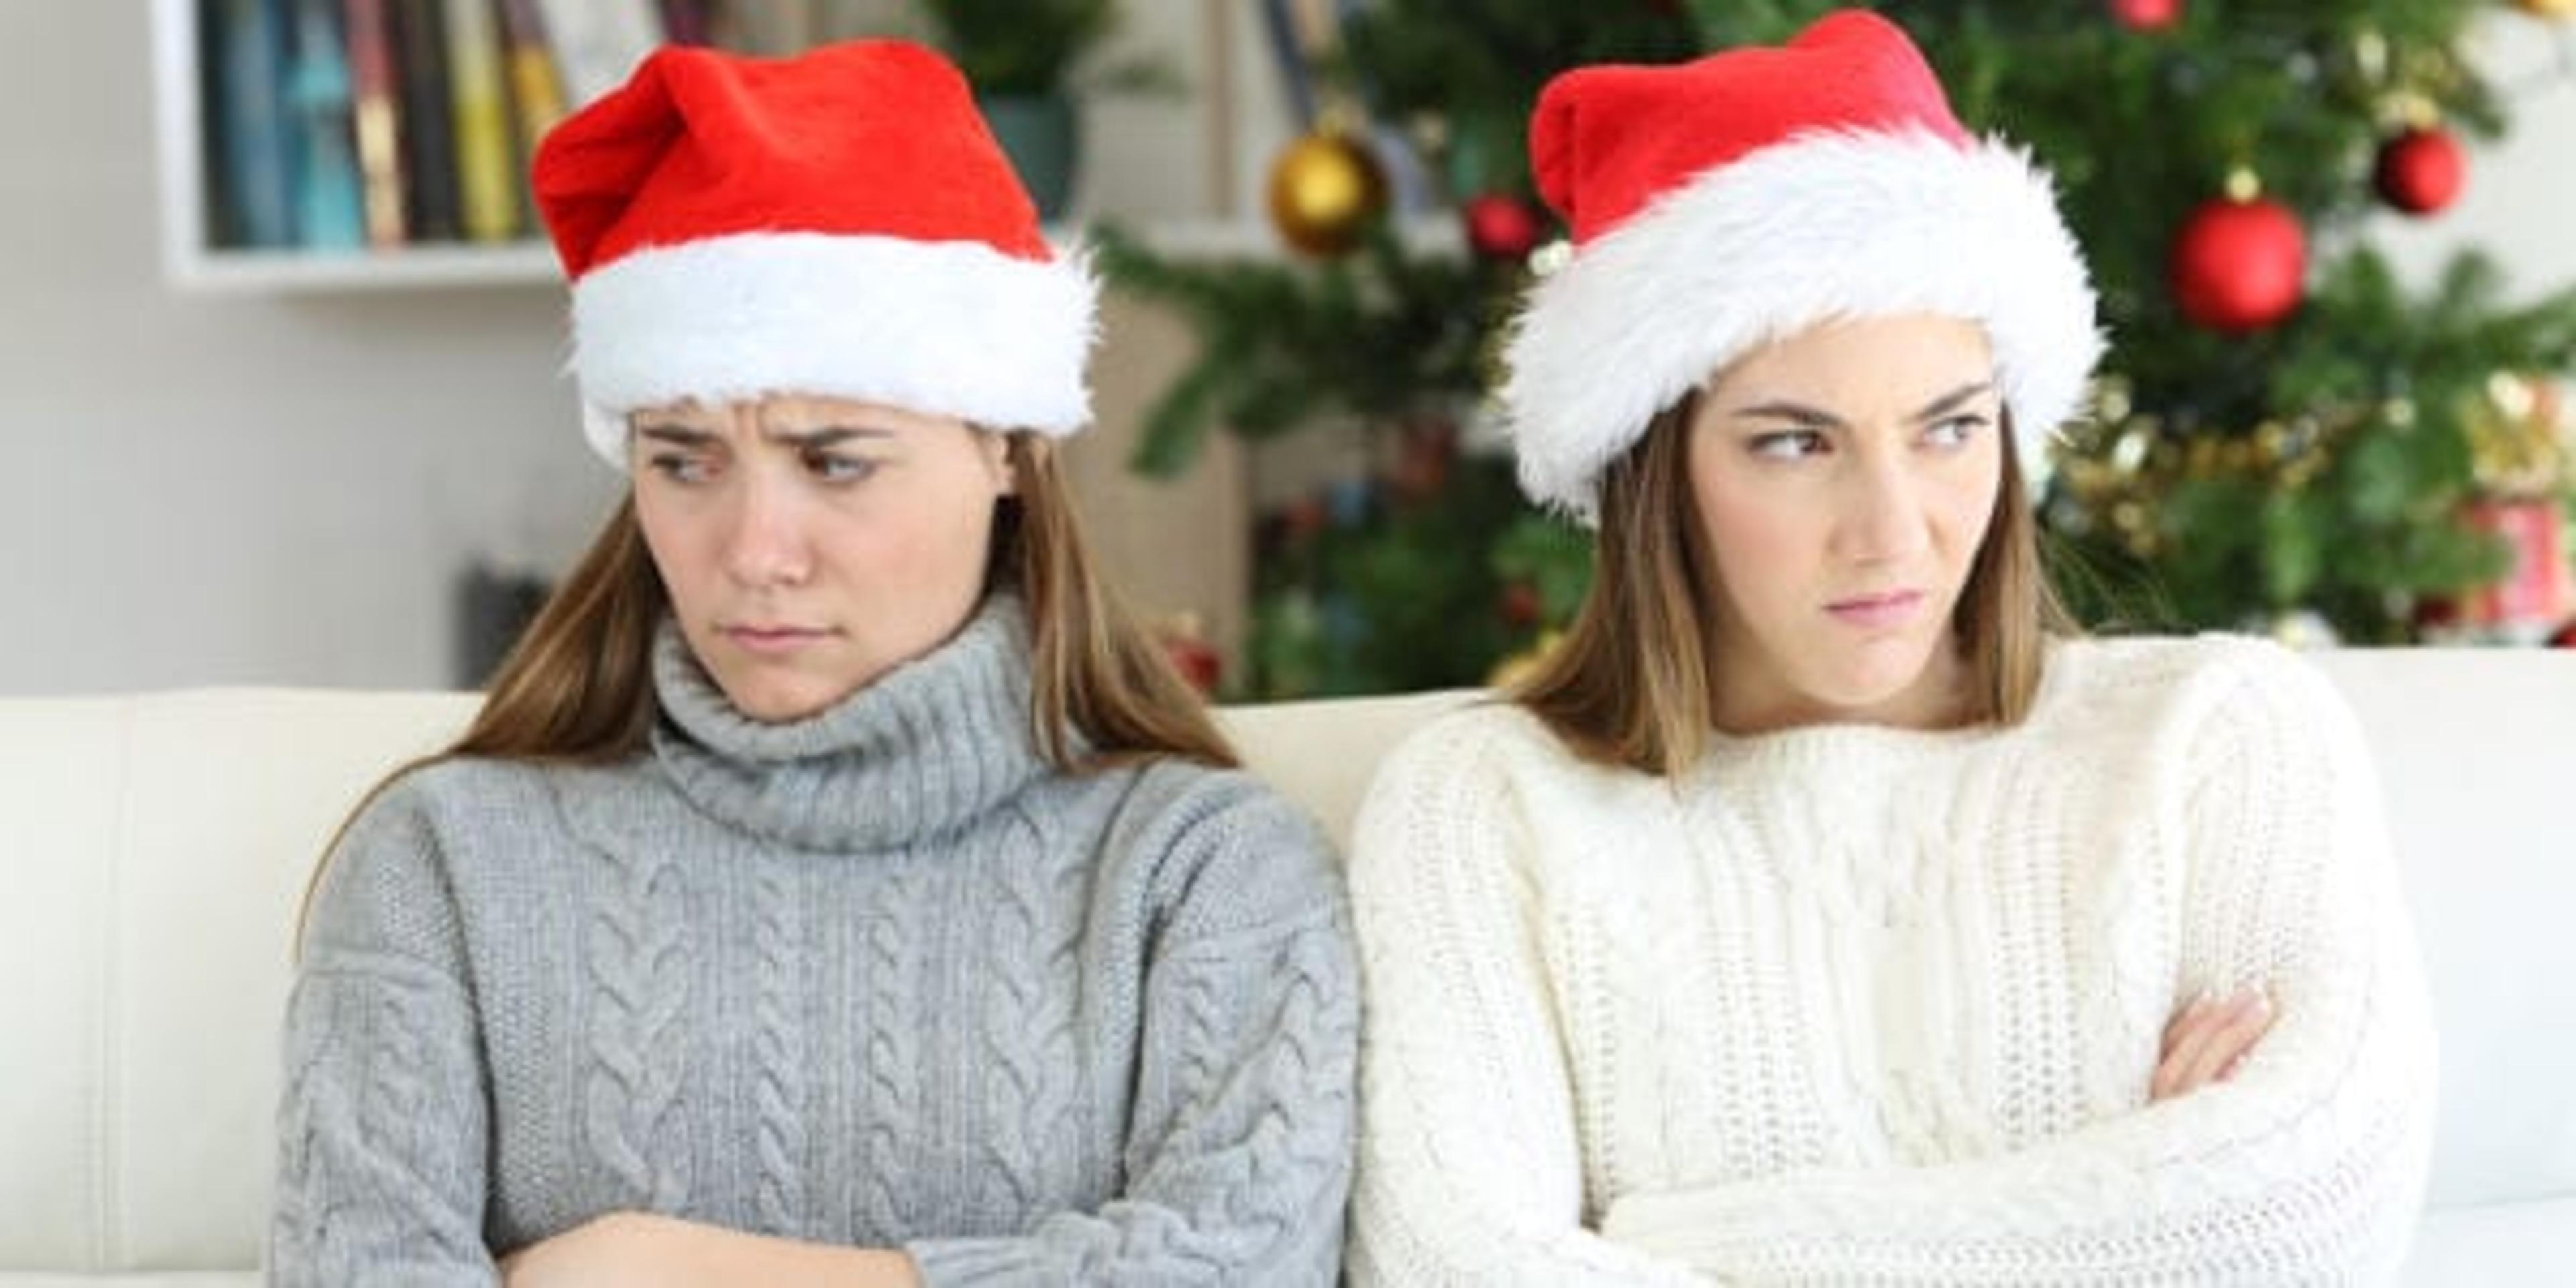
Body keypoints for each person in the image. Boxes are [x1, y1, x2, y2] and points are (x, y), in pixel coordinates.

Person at [1344, 11, 2436, 1284]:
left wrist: (1681, 1247)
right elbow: (1456, 1266)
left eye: (1950, 429)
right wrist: (2139, 1217)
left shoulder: (2219, 739)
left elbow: (2309, 1222)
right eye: (1796, 442)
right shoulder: (1485, 812)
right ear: (1657, 471)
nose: (1894, 531)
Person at [270, 40, 1357, 1287]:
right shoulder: (442, 864)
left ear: (1006, 447)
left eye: (834, 461)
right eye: (683, 461)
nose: (754, 552)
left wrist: (659, 1270)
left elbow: (1250, 1267)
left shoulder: (1199, 871)